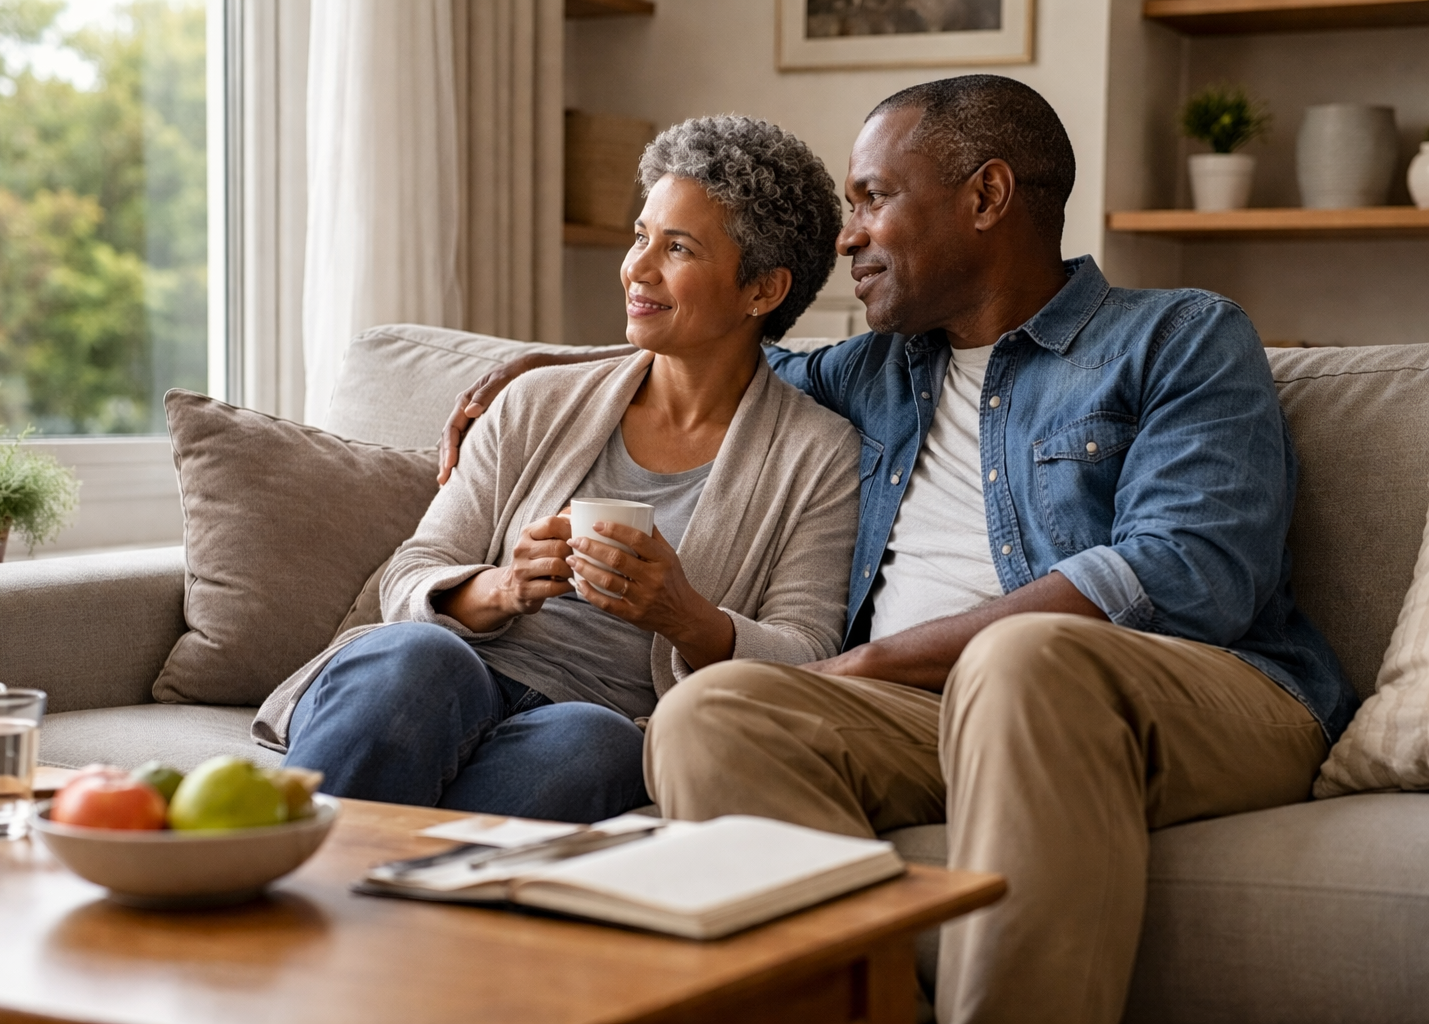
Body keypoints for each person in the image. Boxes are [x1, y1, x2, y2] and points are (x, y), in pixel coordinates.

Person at [436, 76, 1356, 1024]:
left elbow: (1189, 572)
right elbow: (719, 349)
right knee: (711, 711)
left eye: (873, 198)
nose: (847, 236)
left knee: (1021, 658)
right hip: (928, 712)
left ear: (986, 197)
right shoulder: (870, 370)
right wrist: (537, 369)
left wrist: (866, 664)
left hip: (1200, 694)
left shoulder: (1180, 336)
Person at [255, 115, 860, 826]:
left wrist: (684, 614)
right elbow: (416, 566)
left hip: (600, 716)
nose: (638, 267)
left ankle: (392, 910)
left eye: (678, 248)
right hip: (448, 679)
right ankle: (274, 875)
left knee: (592, 743)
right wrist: (502, 586)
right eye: (641, 236)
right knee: (421, 659)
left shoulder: (818, 455)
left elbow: (810, 652)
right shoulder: (536, 401)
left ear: (762, 290)